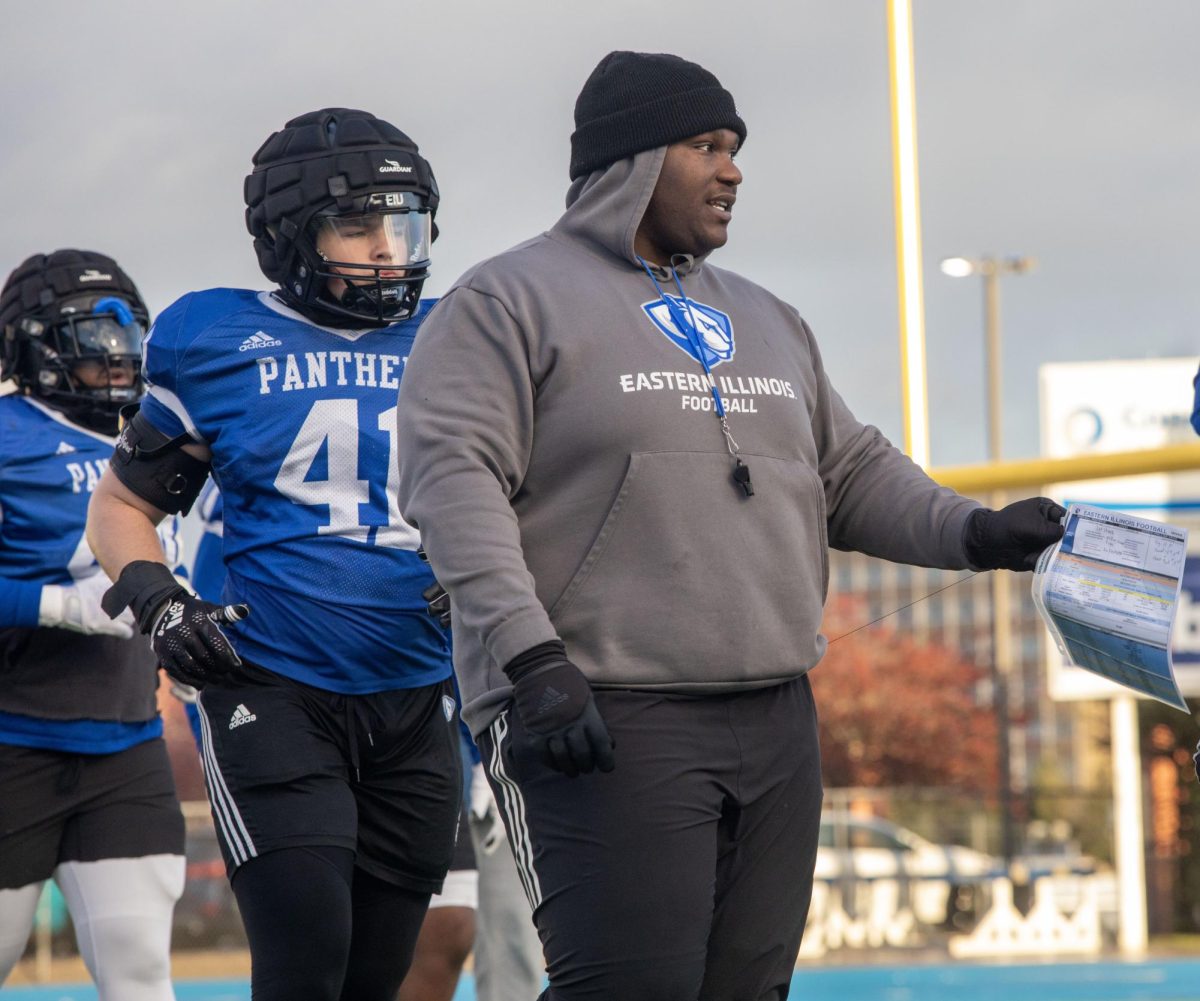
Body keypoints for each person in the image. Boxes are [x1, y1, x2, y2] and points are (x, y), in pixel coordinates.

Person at [394, 51, 1067, 1001]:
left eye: (736, 148)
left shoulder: (767, 316)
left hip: (774, 712)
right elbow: (452, 485)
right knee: (631, 988)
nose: (733, 169)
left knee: (749, 991)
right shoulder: (506, 303)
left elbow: (847, 469)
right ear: (628, 160)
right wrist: (530, 659)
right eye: (705, 145)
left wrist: (976, 531)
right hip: (596, 708)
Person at [86, 108, 462, 1001]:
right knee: (307, 955)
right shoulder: (216, 340)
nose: (386, 247)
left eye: (402, 223)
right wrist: (161, 599)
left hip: (416, 692)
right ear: (290, 236)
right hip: (276, 680)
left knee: (377, 976)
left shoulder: (462, 335)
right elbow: (123, 503)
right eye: (358, 223)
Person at [0, 249, 186, 1000]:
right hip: (12, 741)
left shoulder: (157, 431)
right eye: (91, 334)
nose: (116, 355)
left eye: (123, 333)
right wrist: (59, 606)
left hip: (127, 742)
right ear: (36, 343)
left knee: (140, 969)